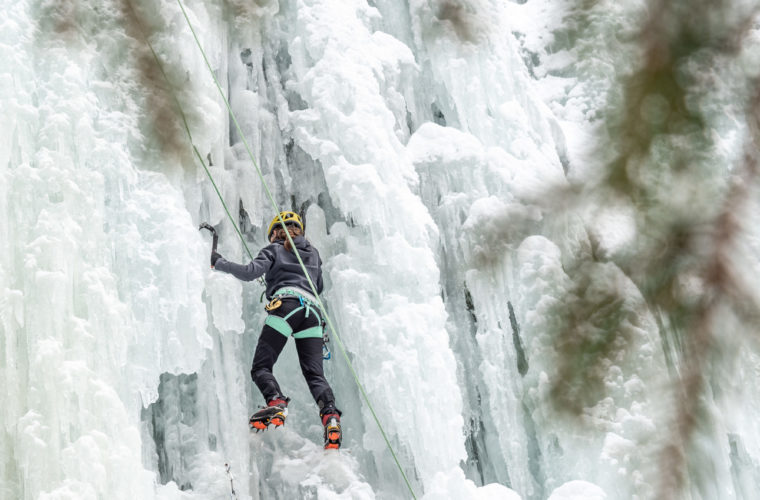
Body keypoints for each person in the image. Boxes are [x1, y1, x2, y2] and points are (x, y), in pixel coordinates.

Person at [210, 211, 342, 449]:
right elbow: (318, 286)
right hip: (312, 315)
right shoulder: (313, 253)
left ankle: (276, 401)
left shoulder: (273, 249)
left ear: (273, 233)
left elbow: (250, 272)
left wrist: (219, 263)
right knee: (315, 375)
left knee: (261, 367)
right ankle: (330, 417)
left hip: (287, 306)